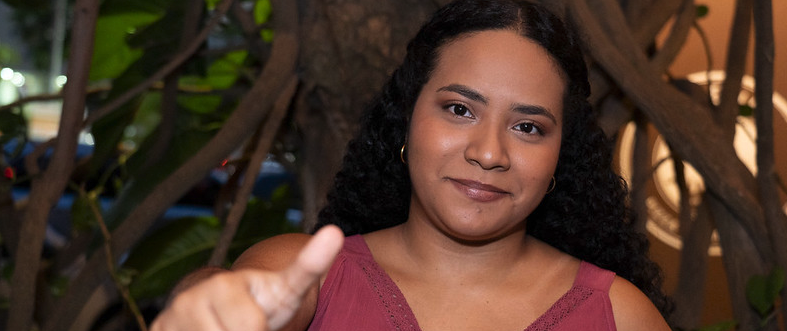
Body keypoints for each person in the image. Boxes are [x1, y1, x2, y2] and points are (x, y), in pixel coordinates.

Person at [151, 0, 673, 330]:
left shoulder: (618, 316)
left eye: (528, 127)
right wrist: (205, 301)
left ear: (563, 154)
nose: (489, 153)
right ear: (406, 120)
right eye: (459, 109)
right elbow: (237, 297)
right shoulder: (310, 279)